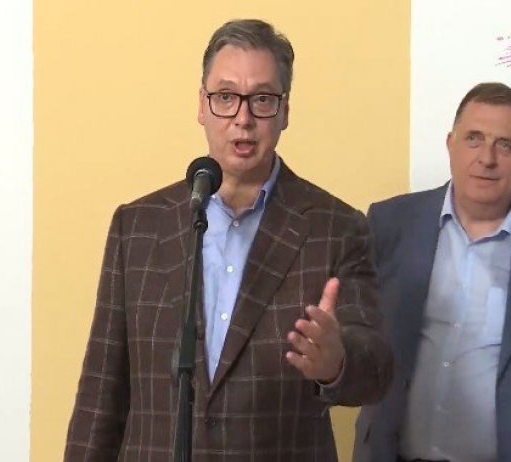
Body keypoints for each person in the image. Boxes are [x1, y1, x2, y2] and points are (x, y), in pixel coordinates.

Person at [65, 19, 393, 461]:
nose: (243, 118)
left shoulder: (335, 227)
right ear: (201, 105)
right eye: (225, 97)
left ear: (285, 111)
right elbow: (101, 393)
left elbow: (377, 372)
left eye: (262, 99)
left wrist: (336, 363)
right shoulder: (138, 226)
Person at [353, 82, 511, 462]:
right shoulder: (388, 224)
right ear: (450, 144)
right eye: (474, 139)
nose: (487, 158)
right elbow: (357, 339)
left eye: (505, 145)